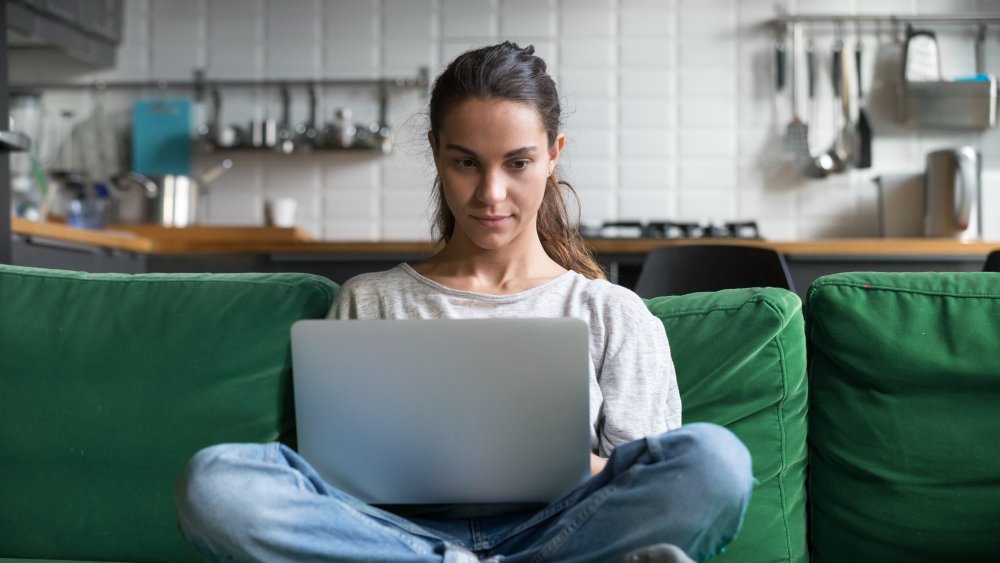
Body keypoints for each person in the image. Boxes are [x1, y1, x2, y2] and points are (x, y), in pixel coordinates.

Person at [175, 42, 752, 563]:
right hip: (392, 536)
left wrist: (552, 465)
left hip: (558, 532)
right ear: (436, 153)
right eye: (466, 161)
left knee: (715, 460)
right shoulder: (371, 301)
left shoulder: (612, 312)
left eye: (517, 163)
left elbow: (641, 480)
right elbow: (332, 483)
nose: (490, 193)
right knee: (218, 482)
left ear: (553, 155)